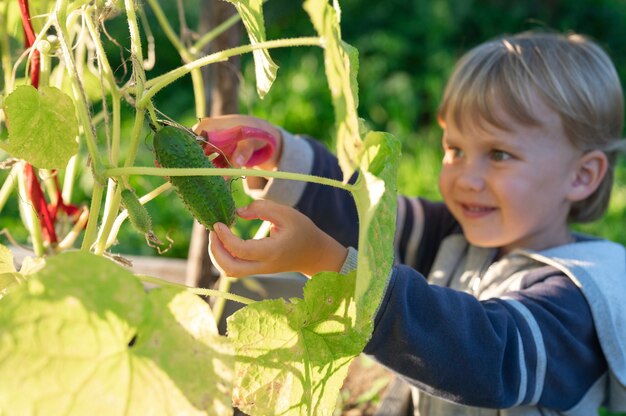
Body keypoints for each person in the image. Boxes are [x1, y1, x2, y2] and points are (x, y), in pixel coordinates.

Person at [196, 31, 626, 415]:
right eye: (454, 149)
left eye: (499, 155)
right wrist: (276, 158)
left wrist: (335, 270)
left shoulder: (581, 298)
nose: (465, 178)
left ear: (582, 176)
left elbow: (485, 355)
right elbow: (367, 215)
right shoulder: (455, 233)